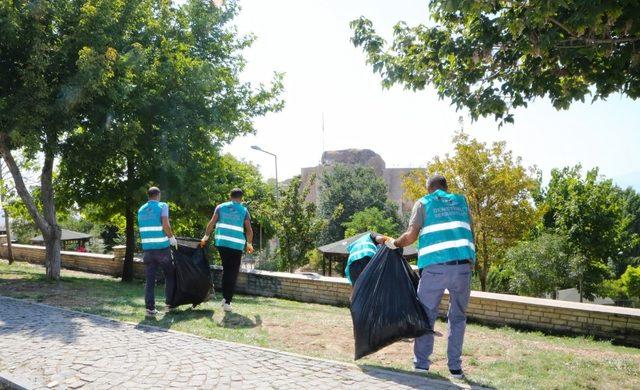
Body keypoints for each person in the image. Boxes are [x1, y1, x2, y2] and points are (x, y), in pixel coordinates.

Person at [389, 175, 475, 379]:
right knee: (458, 317)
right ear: (446, 188)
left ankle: (421, 365)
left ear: (430, 188)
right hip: (462, 268)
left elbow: (410, 236)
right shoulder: (462, 201)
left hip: (435, 268)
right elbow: (469, 231)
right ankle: (455, 368)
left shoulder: (424, 203)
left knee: (426, 315)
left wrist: (395, 244)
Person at [200, 188, 254, 312]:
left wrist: (205, 237)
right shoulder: (244, 210)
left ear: (230, 196)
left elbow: (211, 223)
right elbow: (249, 230)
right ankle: (227, 301)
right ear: (241, 198)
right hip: (236, 245)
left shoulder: (220, 207)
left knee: (226, 269)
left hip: (222, 243)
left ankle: (225, 298)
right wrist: (249, 244)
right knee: (232, 272)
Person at [137, 186, 178, 317]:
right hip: (162, 248)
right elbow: (165, 225)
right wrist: (171, 238)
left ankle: (150, 309)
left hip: (148, 250)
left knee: (150, 279)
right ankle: (169, 304)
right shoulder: (162, 206)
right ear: (158, 195)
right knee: (169, 275)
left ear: (148, 196)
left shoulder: (141, 209)